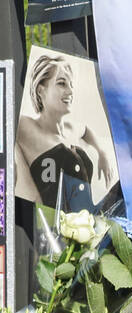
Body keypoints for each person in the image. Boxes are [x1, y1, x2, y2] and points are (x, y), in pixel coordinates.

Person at [15, 54, 115, 211]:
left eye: (71, 84)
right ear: (41, 90)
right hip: (54, 229)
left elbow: (86, 131)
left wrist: (102, 153)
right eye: (61, 83)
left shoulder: (70, 128)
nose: (70, 91)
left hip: (88, 222)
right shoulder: (26, 125)